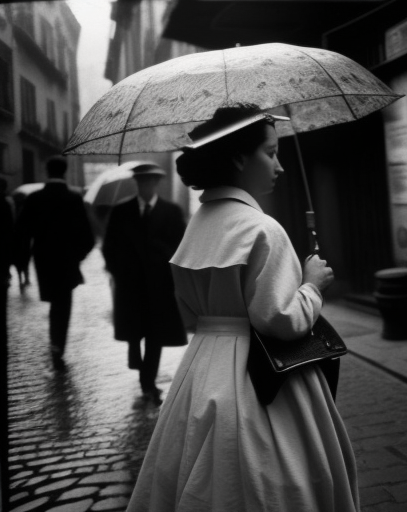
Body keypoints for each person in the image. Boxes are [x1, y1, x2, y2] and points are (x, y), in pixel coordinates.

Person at [126, 105, 359, 512]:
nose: (280, 166)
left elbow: (188, 313)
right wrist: (312, 285)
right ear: (238, 158)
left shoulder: (197, 226)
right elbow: (280, 321)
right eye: (271, 153)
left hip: (201, 370)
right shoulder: (261, 228)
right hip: (262, 378)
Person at [102, 163, 187, 405]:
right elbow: (109, 247)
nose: (146, 186)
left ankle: (148, 385)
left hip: (159, 287)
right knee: (134, 329)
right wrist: (119, 270)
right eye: (142, 182)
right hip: (130, 286)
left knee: (154, 336)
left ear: (156, 183)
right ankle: (134, 353)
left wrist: (162, 252)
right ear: (137, 184)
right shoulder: (121, 211)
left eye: (150, 181)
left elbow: (181, 248)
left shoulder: (171, 211)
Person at [15, 156, 95, 369]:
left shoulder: (34, 198)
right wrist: (77, 256)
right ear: (65, 172)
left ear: (46, 172)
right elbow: (88, 236)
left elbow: (22, 232)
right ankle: (57, 346)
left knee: (54, 302)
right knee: (63, 304)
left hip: (43, 261)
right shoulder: (73, 198)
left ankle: (55, 343)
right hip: (67, 261)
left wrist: (25, 258)